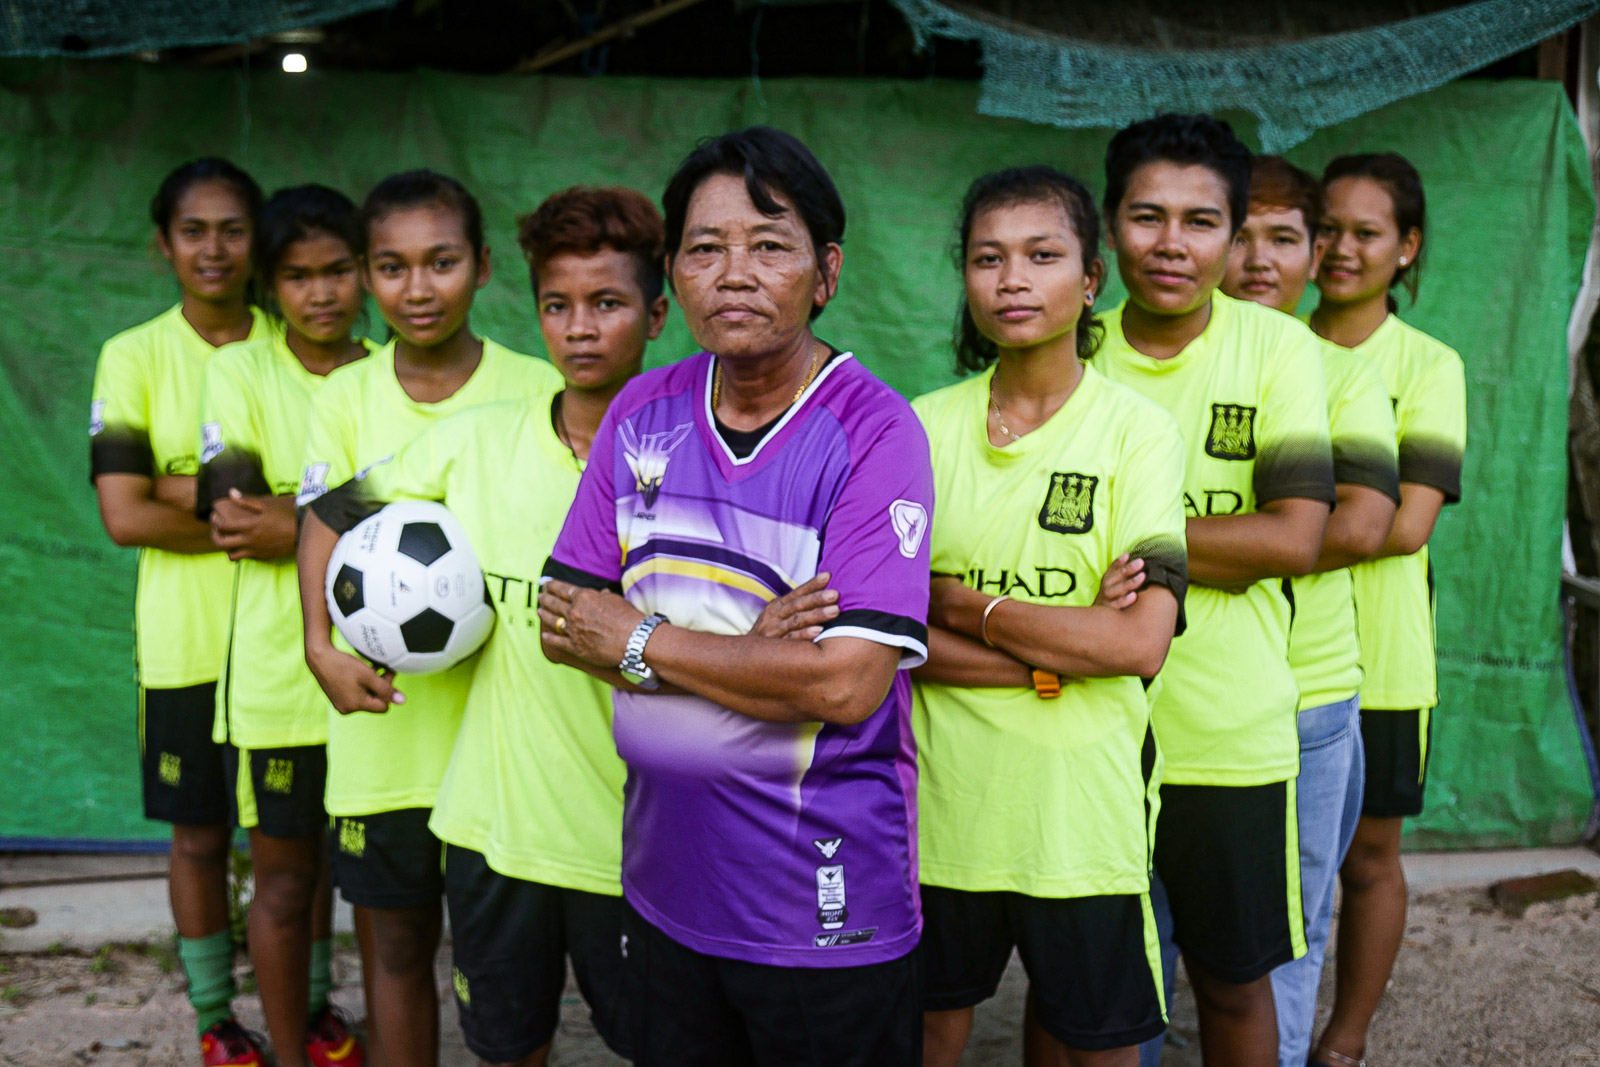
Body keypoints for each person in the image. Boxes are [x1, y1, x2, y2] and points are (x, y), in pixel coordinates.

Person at [539, 126, 932, 1067]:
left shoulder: (875, 434)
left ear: (825, 271)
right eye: (706, 248)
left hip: (820, 894)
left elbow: (843, 688)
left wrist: (642, 640)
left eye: (770, 244)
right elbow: (562, 624)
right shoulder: (643, 410)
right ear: (673, 274)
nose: (735, 272)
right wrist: (758, 649)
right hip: (664, 881)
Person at [911, 166, 1186, 1067]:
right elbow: (892, 641)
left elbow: (1139, 641)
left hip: (1082, 816)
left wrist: (964, 602)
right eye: (988, 258)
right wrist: (1057, 644)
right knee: (921, 1032)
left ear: (1092, 277)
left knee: (1095, 1044)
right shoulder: (915, 430)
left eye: (1042, 255)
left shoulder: (1137, 433)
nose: (1013, 279)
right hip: (936, 812)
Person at [296, 170, 560, 1067]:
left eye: (441, 262)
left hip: (502, 749)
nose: (417, 288)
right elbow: (320, 522)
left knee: (511, 977)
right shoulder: (344, 396)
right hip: (385, 740)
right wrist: (319, 647)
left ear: (482, 267)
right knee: (396, 954)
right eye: (393, 266)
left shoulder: (536, 388)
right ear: (368, 275)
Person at [1095, 115, 1335, 1067]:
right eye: (1146, 216)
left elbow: (1294, 533)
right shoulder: (1068, 341)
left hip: (1229, 728)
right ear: (1110, 223)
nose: (1170, 243)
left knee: (1234, 985)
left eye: (1200, 221)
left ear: (1233, 238)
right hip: (1087, 726)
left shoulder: (1277, 350)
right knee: (1095, 987)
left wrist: (1135, 541)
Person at [89, 157, 270, 1066]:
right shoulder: (132, 354)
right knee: (199, 836)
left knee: (290, 841)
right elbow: (124, 514)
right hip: (185, 646)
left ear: (257, 240)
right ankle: (214, 1013)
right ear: (164, 244)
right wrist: (258, 520)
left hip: (284, 645)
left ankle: (309, 1004)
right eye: (193, 230)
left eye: (232, 228)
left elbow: (320, 505)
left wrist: (177, 485)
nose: (213, 247)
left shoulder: (291, 345)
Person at [1219, 156, 1399, 1067]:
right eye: (1237, 232)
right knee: (1129, 931)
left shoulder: (1340, 373)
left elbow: (1363, 525)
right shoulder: (1126, 357)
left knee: (1290, 934)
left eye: (1282, 237)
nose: (1256, 259)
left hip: (1309, 697)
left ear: (1314, 250)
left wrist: (1177, 552)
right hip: (1157, 683)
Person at [198, 184, 372, 1067]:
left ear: (366, 273)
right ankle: (293, 1052)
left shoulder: (388, 373)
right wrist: (349, 512)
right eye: (298, 276)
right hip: (275, 678)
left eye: (338, 269)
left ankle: (325, 1014)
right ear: (271, 286)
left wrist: (295, 516)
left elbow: (413, 509)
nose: (322, 293)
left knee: (366, 885)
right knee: (283, 880)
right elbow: (232, 519)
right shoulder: (238, 370)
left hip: (378, 677)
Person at [1307, 152, 1466, 1067]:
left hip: (1382, 654)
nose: (1340, 249)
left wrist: (1270, 535)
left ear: (1406, 249)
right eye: (1325, 228)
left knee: (1367, 857)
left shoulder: (1429, 366)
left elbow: (1404, 526)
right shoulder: (1270, 342)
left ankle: (1344, 1040)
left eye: (1367, 233)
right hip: (1272, 651)